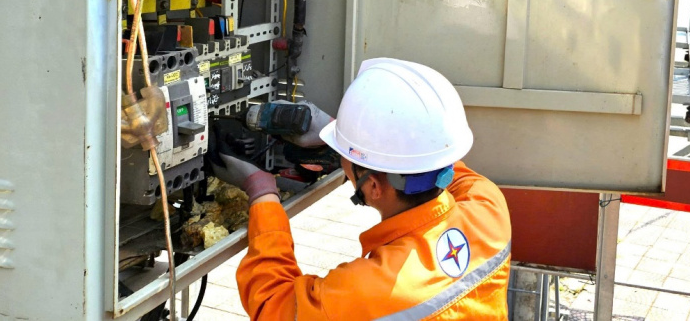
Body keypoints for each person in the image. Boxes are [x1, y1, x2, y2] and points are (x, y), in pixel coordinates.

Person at [211, 58, 512, 320]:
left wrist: (262, 193)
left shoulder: (365, 290)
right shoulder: (489, 211)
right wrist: (349, 142)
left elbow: (273, 304)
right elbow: (429, 155)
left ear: (373, 186)